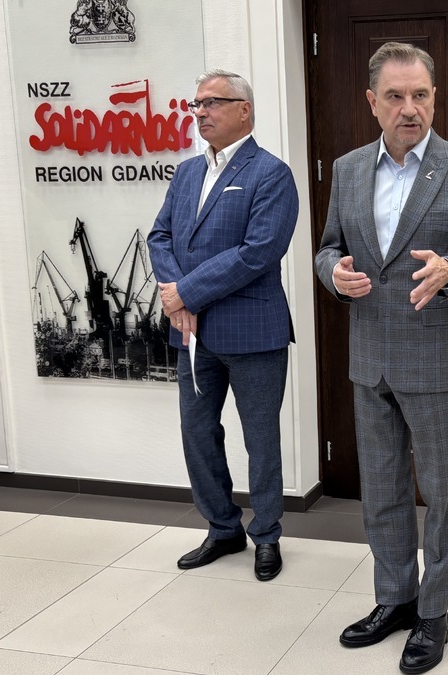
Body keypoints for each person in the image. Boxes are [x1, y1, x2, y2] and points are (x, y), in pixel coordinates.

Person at [314, 42, 448, 674]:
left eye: (420, 95)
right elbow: (328, 247)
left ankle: (433, 612)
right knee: (382, 489)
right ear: (372, 102)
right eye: (395, 96)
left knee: (443, 493)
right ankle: (394, 598)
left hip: (436, 359)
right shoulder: (348, 170)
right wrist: (332, 274)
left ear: (434, 98)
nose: (409, 108)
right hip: (370, 358)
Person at [147, 69, 298, 581]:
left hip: (253, 332)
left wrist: (186, 293)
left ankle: (267, 536)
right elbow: (159, 237)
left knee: (261, 440)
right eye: (196, 104)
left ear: (244, 110)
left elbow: (258, 252)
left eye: (212, 102)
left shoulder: (271, 174)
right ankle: (222, 528)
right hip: (191, 333)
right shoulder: (187, 172)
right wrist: (176, 298)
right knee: (197, 433)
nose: (201, 112)